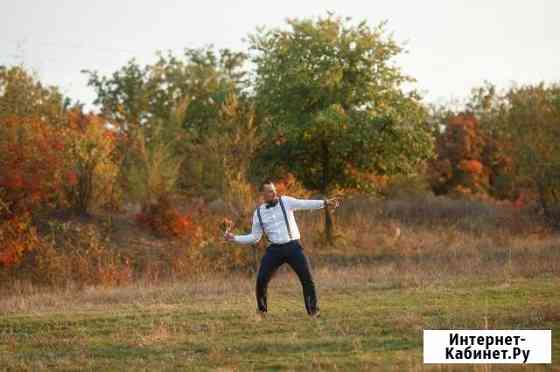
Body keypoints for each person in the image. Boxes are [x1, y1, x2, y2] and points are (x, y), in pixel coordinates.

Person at [224, 180, 339, 319]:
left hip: (293, 247)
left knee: (307, 278)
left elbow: (304, 204)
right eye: (270, 191)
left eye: (274, 190)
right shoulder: (258, 213)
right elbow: (255, 237)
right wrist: (234, 238)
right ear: (263, 194)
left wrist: (325, 203)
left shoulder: (286, 201)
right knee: (261, 279)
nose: (274, 193)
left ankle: (313, 312)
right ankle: (262, 311)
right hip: (274, 250)